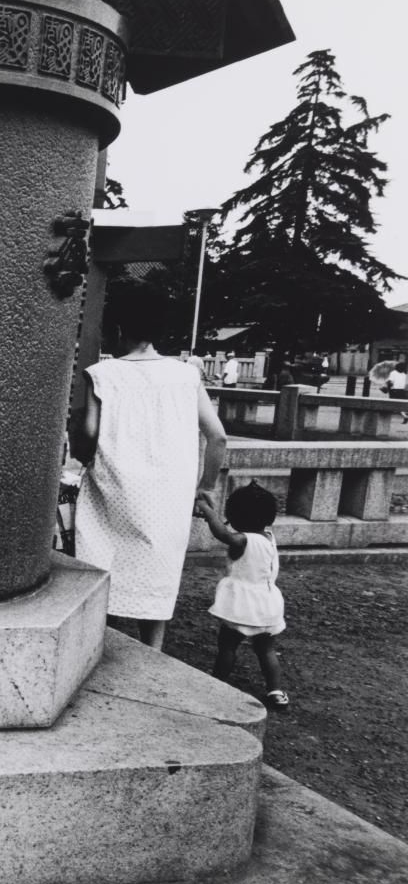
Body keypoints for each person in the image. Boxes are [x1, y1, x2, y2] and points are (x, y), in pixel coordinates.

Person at [72, 280, 227, 650]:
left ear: (120, 329)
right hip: (168, 497)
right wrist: (205, 486)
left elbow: (88, 434)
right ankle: (153, 652)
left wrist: (81, 451)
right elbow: (217, 436)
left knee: (102, 566)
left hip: (114, 490)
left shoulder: (102, 375)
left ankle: (97, 644)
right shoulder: (186, 375)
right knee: (158, 574)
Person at [195, 482, 289, 711]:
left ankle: (217, 683)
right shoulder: (268, 537)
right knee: (266, 649)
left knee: (228, 646)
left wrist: (207, 513)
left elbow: (223, 534)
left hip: (242, 605)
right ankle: (276, 691)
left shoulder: (244, 540)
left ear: (235, 517)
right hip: (267, 603)